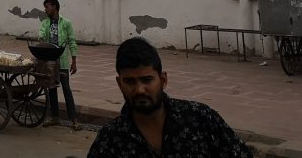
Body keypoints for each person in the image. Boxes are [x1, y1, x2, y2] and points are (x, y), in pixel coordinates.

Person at [87, 37, 252, 158]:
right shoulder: (110, 140)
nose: (139, 90)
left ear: (163, 80)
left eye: (147, 80)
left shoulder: (200, 119)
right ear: (119, 83)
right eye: (129, 81)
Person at [38, 0, 79, 129]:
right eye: (45, 7)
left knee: (66, 90)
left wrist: (74, 62)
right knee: (51, 89)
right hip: (50, 62)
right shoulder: (45, 23)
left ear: (55, 7)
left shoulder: (66, 23)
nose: (45, 9)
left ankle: (74, 120)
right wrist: (42, 37)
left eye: (47, 7)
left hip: (62, 62)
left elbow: (72, 41)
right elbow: (41, 35)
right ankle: (55, 117)